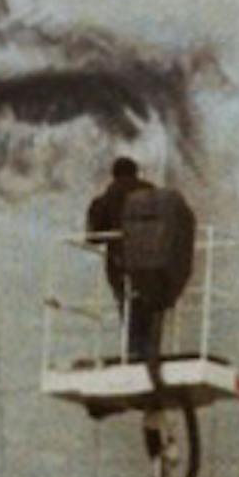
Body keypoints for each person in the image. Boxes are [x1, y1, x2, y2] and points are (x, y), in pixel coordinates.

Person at [86, 155, 197, 369]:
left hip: (121, 265)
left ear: (114, 174)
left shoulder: (105, 199)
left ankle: (135, 354)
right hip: (159, 263)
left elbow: (92, 236)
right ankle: (151, 353)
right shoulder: (156, 197)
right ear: (137, 172)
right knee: (153, 308)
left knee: (128, 308)